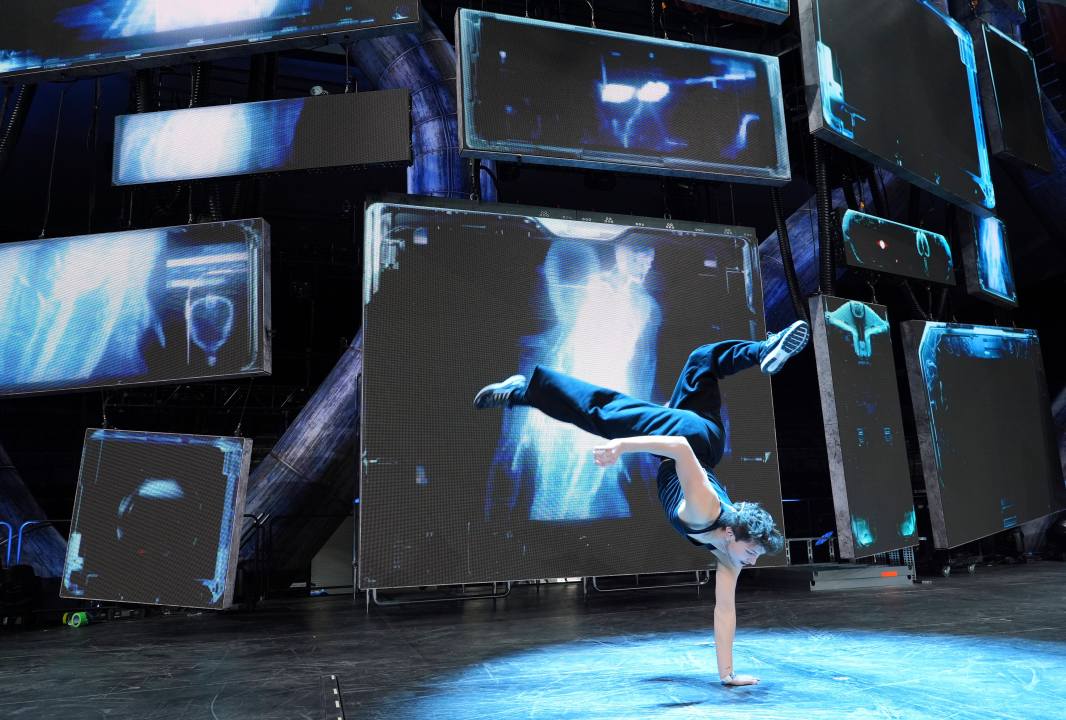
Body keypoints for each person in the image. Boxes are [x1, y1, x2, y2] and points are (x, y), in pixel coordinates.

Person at [473, 319, 810, 687]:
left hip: (704, 436)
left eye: (755, 556)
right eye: (752, 552)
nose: (753, 560)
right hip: (691, 440)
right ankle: (523, 392)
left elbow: (724, 611)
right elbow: (679, 448)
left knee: (701, 361)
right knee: (608, 416)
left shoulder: (731, 556)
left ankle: (763, 350)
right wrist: (622, 445)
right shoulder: (707, 509)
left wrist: (727, 674)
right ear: (731, 534)